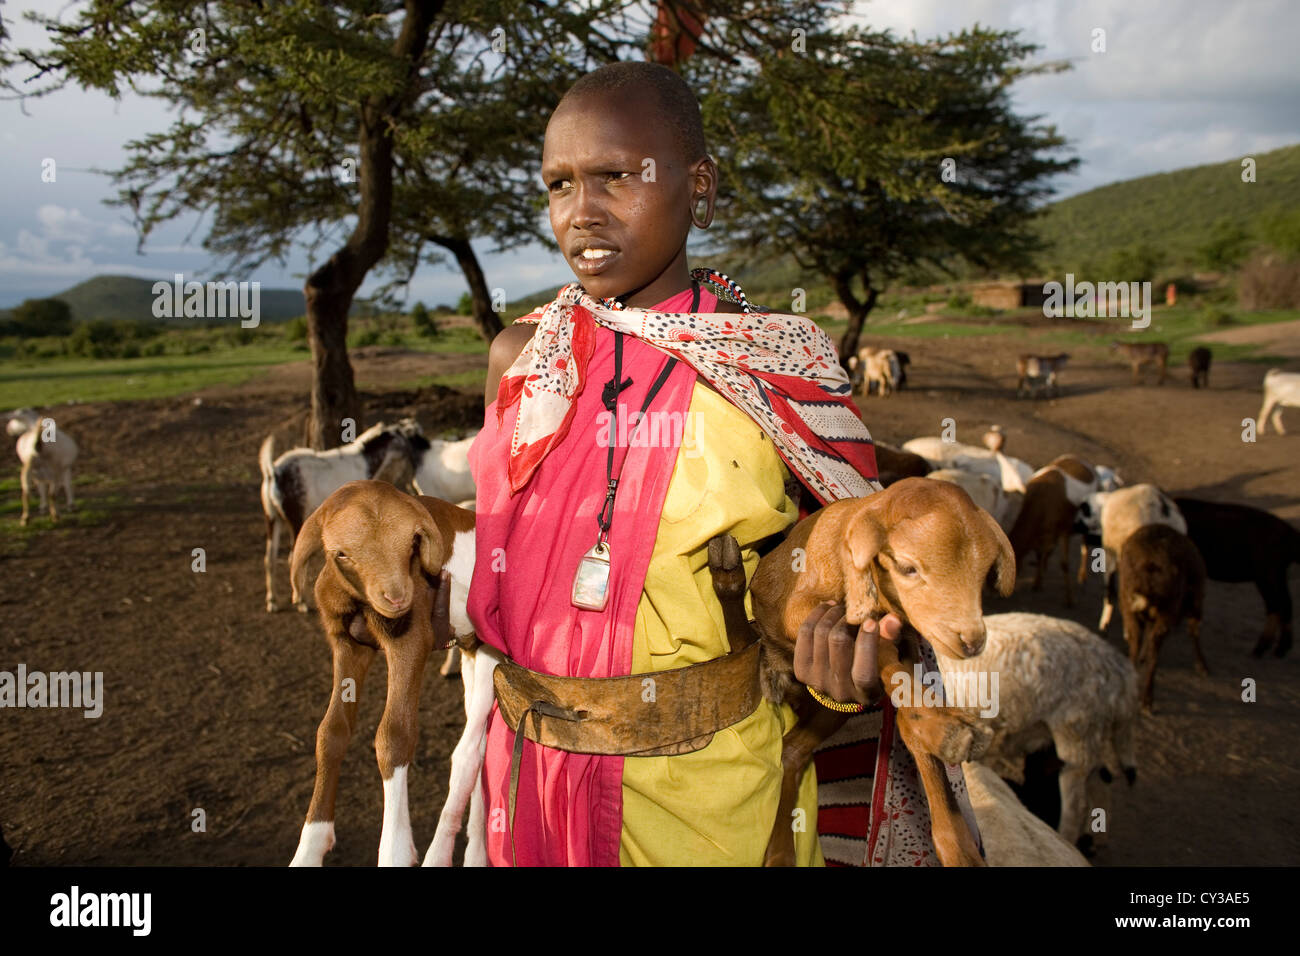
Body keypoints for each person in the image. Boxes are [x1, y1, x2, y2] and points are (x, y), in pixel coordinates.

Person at [467, 61, 962, 867]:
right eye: (558, 185)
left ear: (698, 185)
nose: (580, 215)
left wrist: (843, 655)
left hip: (709, 801)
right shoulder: (525, 359)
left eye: (614, 178)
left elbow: (847, 583)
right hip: (527, 783)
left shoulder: (775, 372)